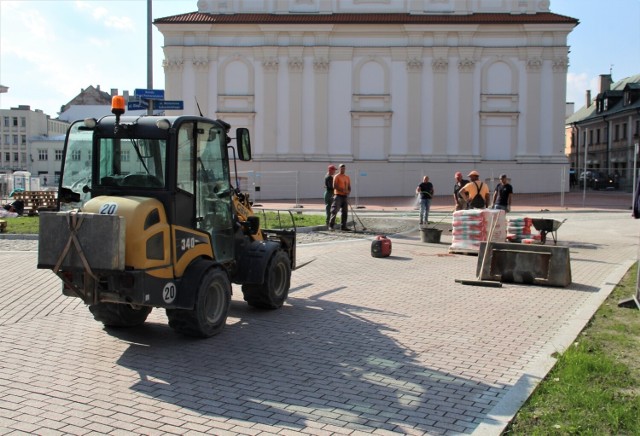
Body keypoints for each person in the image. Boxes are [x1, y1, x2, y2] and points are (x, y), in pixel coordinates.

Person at [329, 164, 351, 230]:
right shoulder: (336, 176)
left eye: (344, 168)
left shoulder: (347, 177)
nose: (343, 169)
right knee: (334, 210)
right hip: (338, 195)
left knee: (345, 211)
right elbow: (334, 186)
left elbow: (349, 186)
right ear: (339, 169)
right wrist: (343, 190)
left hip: (345, 196)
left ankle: (343, 226)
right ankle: (331, 225)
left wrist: (348, 191)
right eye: (341, 168)